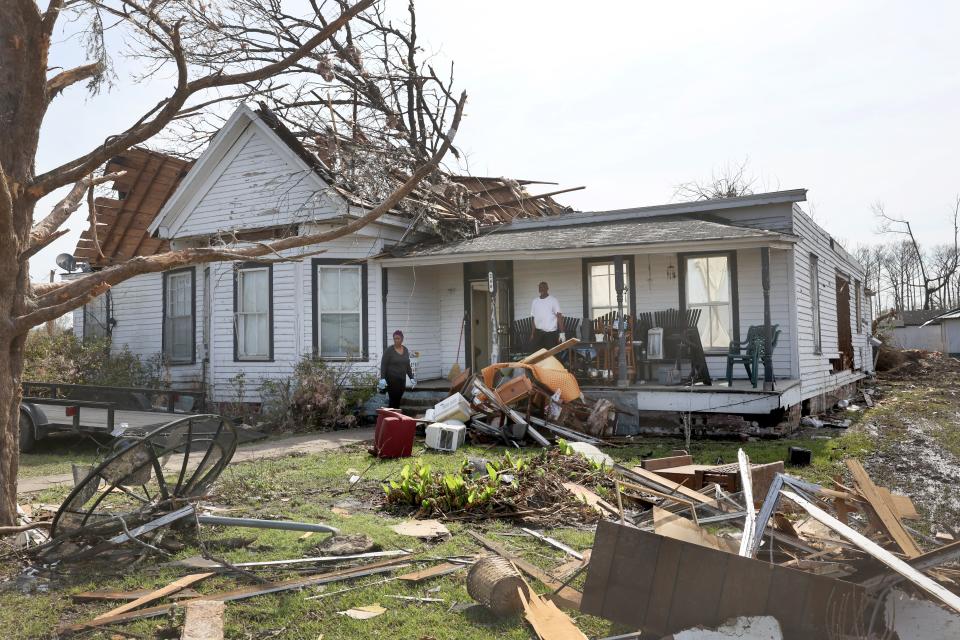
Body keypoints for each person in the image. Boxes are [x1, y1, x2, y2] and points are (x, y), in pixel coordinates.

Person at [379, 330, 416, 409]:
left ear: (402, 339)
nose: (396, 340)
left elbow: (407, 365)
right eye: (395, 339)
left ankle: (395, 416)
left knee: (398, 398)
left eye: (398, 338)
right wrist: (382, 378)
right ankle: (391, 416)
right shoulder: (389, 350)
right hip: (391, 379)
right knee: (393, 399)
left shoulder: (405, 350)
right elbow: (383, 364)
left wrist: (411, 377)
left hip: (402, 379)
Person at [529, 281, 564, 352]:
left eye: (543, 287)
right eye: (540, 287)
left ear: (547, 288)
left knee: (552, 355)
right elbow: (533, 318)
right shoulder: (535, 301)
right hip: (538, 333)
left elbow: (559, 317)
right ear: (538, 289)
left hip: (550, 334)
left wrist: (562, 333)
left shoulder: (553, 300)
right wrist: (532, 333)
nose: (541, 289)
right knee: (538, 355)